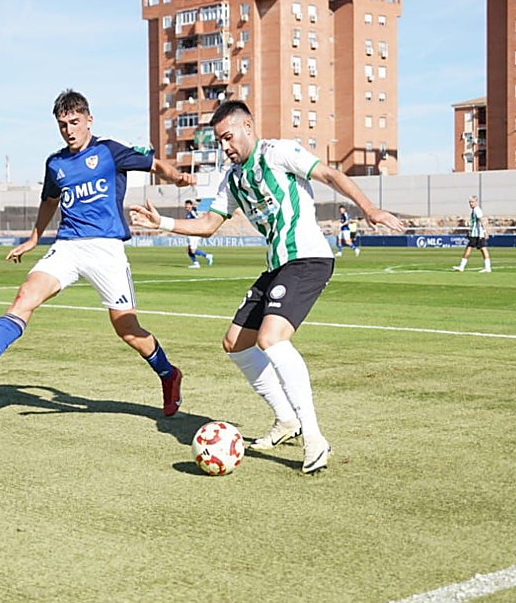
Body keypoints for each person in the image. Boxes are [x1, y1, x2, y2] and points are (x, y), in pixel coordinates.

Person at [130, 100, 403, 473]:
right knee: (235, 342)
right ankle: (286, 420)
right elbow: (209, 223)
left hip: (308, 258)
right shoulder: (234, 179)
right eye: (220, 140)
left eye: (228, 137)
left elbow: (330, 175)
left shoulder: (278, 152)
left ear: (248, 128)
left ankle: (314, 437)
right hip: (277, 266)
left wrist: (369, 209)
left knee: (271, 339)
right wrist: (162, 222)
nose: (224, 146)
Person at [0, 89, 194, 418]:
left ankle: (168, 373)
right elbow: (49, 202)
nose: (69, 130)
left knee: (128, 331)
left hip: (106, 249)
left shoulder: (109, 151)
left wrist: (177, 179)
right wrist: (34, 237)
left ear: (89, 120)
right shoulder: (56, 164)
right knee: (26, 296)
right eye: (62, 124)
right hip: (67, 246)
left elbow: (153, 164)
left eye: (75, 122)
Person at [452, 195, 492, 273]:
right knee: (477, 248)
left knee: (480, 248)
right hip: (475, 233)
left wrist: (484, 232)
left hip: (477, 234)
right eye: (470, 202)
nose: (471, 204)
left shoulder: (477, 210)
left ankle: (462, 266)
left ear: (476, 202)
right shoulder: (474, 210)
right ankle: (487, 267)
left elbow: (481, 220)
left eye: (472, 202)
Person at [183, 199, 213, 268]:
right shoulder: (189, 213)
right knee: (189, 250)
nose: (186, 207)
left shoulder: (193, 213)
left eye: (187, 205)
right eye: (185, 206)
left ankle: (207, 256)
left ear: (191, 206)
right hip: (190, 233)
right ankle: (196, 263)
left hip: (194, 234)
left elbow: (198, 220)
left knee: (192, 250)